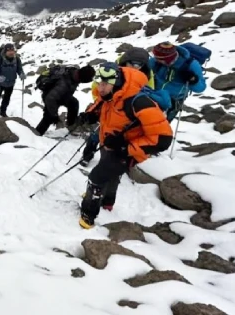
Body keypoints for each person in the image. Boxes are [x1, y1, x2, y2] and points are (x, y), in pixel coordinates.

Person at [78, 62, 173, 229]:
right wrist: (90, 116)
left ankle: (88, 214)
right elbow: (100, 107)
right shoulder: (110, 95)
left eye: (105, 84)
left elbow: (163, 138)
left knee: (96, 177)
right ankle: (107, 202)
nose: (100, 88)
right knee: (111, 173)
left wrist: (124, 147)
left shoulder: (139, 102)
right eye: (99, 83)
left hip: (127, 151)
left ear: (117, 82)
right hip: (109, 144)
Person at [80, 47, 170, 165]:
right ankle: (87, 155)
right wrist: (102, 106)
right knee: (98, 134)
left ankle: (105, 161)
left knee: (112, 140)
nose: (136, 67)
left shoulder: (146, 74)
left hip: (126, 113)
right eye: (132, 63)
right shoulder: (115, 69)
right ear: (125, 61)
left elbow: (148, 91)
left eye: (140, 64)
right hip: (109, 107)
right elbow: (98, 87)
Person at [148, 42, 206, 121]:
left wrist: (193, 80)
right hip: (154, 94)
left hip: (174, 100)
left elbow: (201, 88)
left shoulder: (191, 65)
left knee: (162, 123)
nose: (156, 59)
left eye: (159, 59)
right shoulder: (156, 61)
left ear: (168, 58)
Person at [34, 65, 95, 136]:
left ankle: (71, 125)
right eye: (88, 79)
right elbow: (50, 99)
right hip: (50, 97)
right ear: (83, 78)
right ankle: (36, 135)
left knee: (74, 103)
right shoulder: (63, 84)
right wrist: (55, 115)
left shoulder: (75, 74)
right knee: (49, 117)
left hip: (63, 94)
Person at [0, 43, 25, 117]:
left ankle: (3, 112)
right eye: (9, 51)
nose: (11, 52)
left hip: (11, 83)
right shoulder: (0, 59)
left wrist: (21, 74)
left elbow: (19, 69)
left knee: (7, 98)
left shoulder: (17, 59)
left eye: (12, 50)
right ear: (5, 51)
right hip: (0, 83)